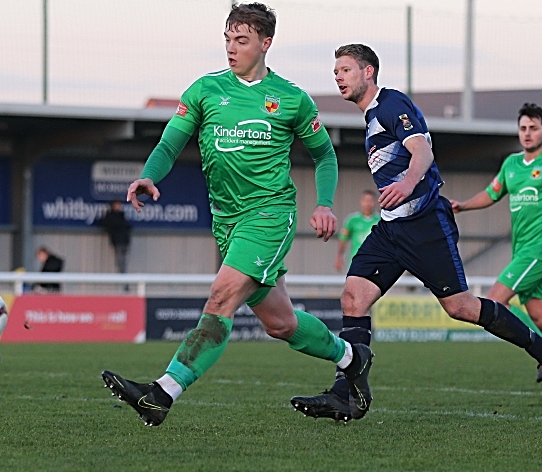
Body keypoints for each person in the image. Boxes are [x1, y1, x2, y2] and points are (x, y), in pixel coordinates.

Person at [101, 3, 372, 427]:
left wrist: (323, 203)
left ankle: (162, 393)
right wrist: (149, 175)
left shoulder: (290, 98)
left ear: (266, 43)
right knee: (281, 324)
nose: (231, 48)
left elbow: (325, 156)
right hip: (227, 222)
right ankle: (353, 357)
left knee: (220, 297)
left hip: (269, 215)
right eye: (227, 39)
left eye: (241, 40)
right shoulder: (204, 90)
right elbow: (171, 142)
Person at [290, 44, 542, 422]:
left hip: (424, 225)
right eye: (335, 71)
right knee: (354, 298)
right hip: (391, 230)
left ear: (368, 72)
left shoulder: (390, 103)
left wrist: (407, 183)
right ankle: (347, 394)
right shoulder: (372, 116)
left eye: (345, 70)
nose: (338, 76)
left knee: (461, 307)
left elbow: (422, 151)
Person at [450, 103, 542, 393]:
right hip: (521, 253)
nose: (527, 133)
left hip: (540, 253)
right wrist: (463, 206)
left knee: (496, 302)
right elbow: (492, 193)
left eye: (533, 128)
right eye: (523, 128)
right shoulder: (511, 164)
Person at [335, 190, 380, 272]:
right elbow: (343, 239)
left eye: (370, 201)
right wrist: (339, 257)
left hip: (375, 262)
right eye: (365, 201)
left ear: (374, 202)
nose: (368, 204)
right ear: (361, 202)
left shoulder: (380, 220)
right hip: (356, 261)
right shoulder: (352, 220)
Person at [100, 200, 132, 274]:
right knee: (120, 260)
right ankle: (122, 276)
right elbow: (105, 224)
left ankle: (124, 276)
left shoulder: (122, 216)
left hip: (125, 240)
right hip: (117, 240)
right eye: (117, 205)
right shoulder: (111, 216)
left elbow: (127, 227)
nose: (118, 207)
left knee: (123, 259)